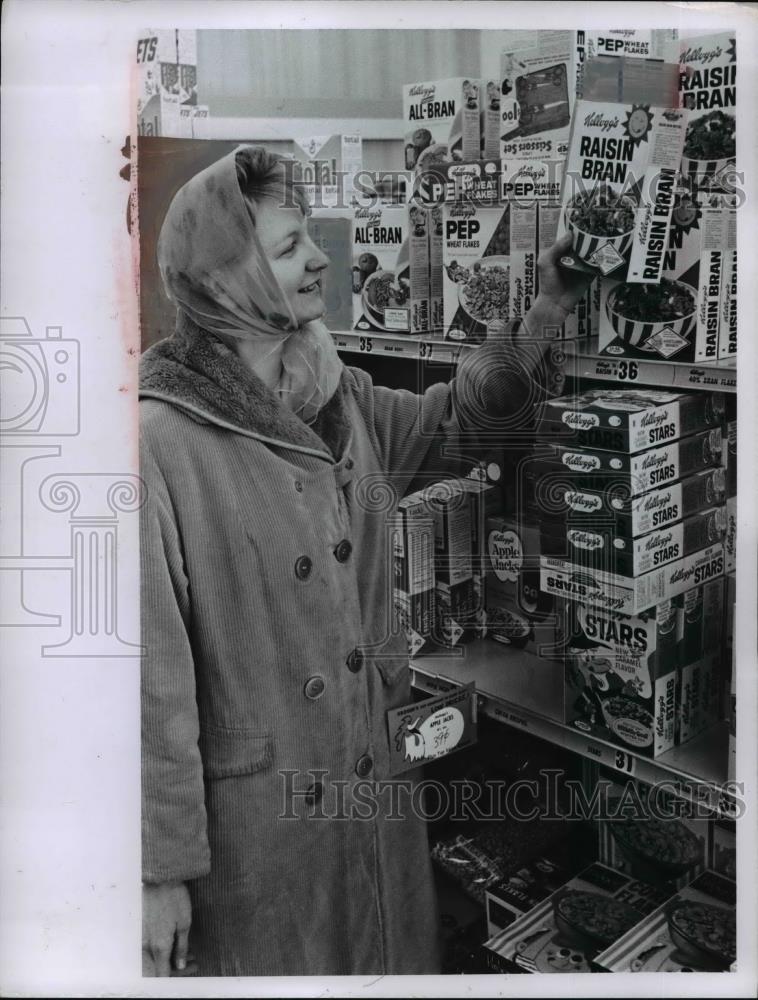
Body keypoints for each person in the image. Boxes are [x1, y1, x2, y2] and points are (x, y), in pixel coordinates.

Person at [140, 145, 591, 977]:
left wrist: (548, 310)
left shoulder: (335, 394)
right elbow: (150, 682)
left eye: (308, 237)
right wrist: (159, 872)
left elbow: (462, 424)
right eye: (285, 248)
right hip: (260, 831)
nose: (319, 258)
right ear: (223, 281)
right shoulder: (160, 441)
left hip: (372, 784)